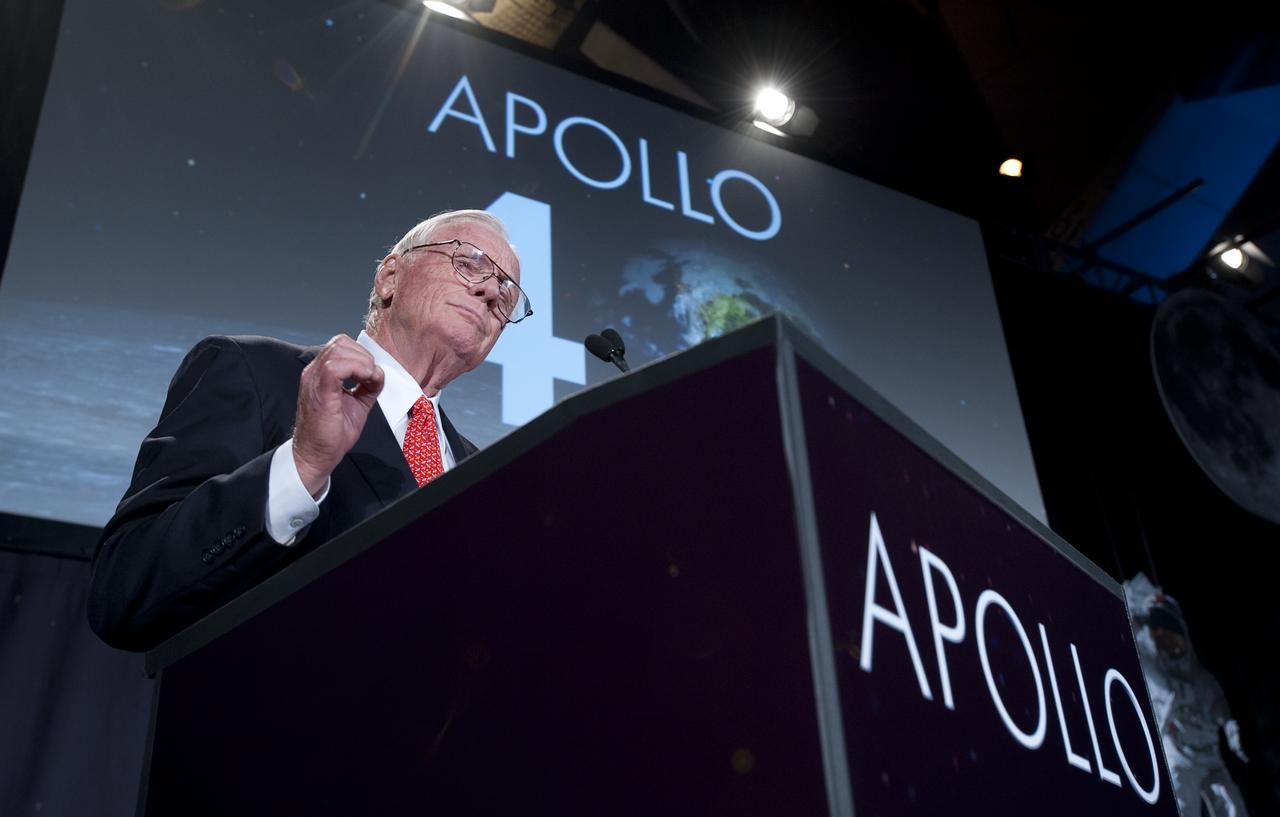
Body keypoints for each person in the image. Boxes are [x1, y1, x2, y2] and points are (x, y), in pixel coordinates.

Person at [88, 210, 529, 651]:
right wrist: (303, 464)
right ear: (390, 277)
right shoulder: (255, 372)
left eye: (507, 292)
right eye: (468, 261)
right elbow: (125, 590)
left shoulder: (483, 477)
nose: (491, 290)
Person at [1123, 573, 1250, 817]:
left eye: (1168, 633)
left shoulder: (1201, 678)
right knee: (1182, 807)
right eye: (1158, 632)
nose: (1163, 638)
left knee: (1232, 807)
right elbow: (1124, 614)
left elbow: (1221, 709)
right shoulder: (1154, 667)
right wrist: (1145, 600)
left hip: (1210, 756)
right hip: (1179, 756)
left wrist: (1234, 735)